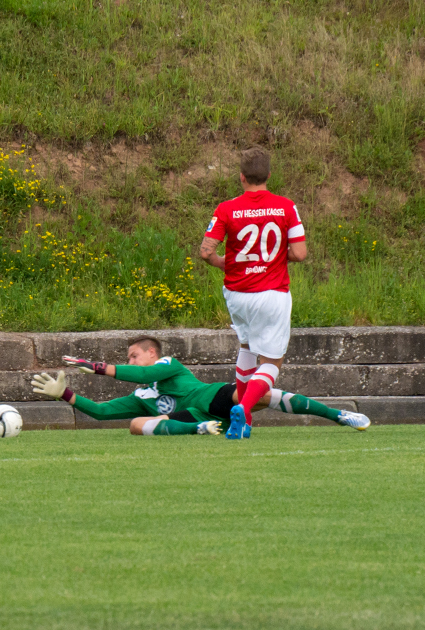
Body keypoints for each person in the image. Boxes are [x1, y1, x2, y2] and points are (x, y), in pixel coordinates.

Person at [29, 336, 370, 435]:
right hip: (194, 419)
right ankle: (200, 430)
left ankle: (338, 415)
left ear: (152, 353)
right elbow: (101, 413)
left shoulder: (166, 365)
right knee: (134, 425)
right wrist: (67, 395)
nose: (130, 361)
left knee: (259, 394)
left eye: (134, 355)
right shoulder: (139, 397)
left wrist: (100, 368)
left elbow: (144, 375)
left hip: (210, 398)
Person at [199, 145, 306, 440]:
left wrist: (227, 263)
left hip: (236, 293)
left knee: (246, 347)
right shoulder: (286, 206)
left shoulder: (226, 208)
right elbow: (299, 252)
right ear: (269, 175)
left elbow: (206, 252)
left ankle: (243, 424)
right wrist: (271, 258)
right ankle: (244, 410)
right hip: (271, 292)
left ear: (242, 177)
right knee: (272, 361)